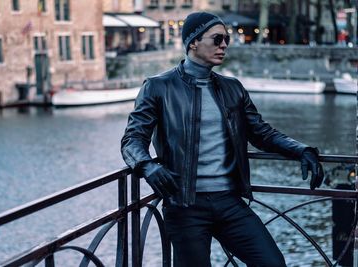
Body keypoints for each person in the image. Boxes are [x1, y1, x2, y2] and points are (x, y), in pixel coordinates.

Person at [121, 11, 324, 267]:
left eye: (226, 39)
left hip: (229, 202)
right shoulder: (158, 87)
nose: (225, 45)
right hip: (185, 206)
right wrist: (147, 165)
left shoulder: (232, 88)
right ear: (193, 42)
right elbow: (132, 139)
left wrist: (302, 150)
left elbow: (261, 133)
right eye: (217, 39)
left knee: (273, 263)